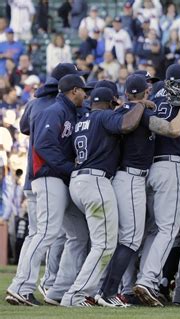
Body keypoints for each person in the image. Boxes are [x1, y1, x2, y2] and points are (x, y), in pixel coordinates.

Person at [62, 86, 149, 307]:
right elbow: (127, 124)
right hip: (96, 181)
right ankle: (76, 294)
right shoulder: (104, 116)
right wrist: (138, 104)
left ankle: (81, 292)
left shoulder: (83, 120)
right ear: (110, 103)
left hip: (78, 180)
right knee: (104, 245)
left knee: (99, 243)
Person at [5, 74, 88, 306]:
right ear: (73, 91)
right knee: (44, 233)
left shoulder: (67, 110)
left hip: (59, 181)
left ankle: (57, 291)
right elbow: (42, 144)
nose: (86, 94)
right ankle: (21, 286)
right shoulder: (54, 110)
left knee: (79, 235)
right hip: (49, 178)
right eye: (83, 90)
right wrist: (67, 167)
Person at [132, 65, 180, 307]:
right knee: (168, 229)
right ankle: (148, 280)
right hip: (169, 166)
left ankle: (142, 279)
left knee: (152, 230)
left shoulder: (155, 93)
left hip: (147, 168)